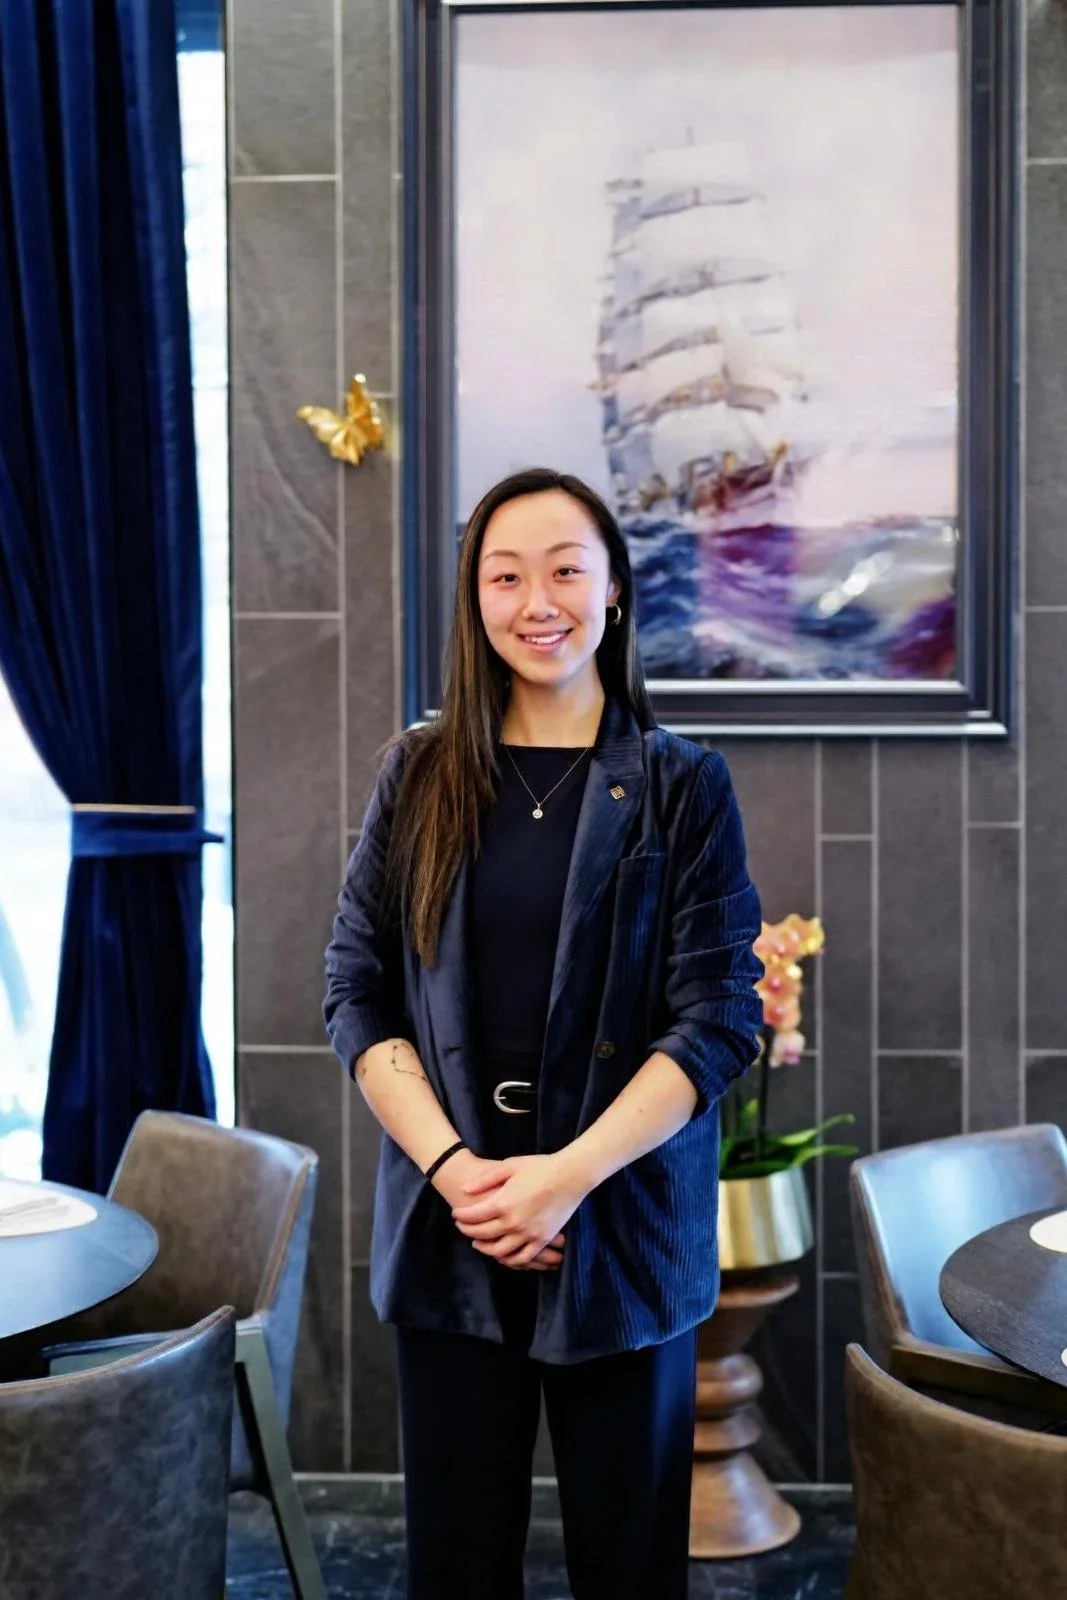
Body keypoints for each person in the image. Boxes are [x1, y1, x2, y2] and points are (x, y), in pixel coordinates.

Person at [324, 466, 763, 1600]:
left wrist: (562, 1178)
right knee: (455, 1568)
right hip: (449, 1223)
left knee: (629, 1568)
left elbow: (717, 1018)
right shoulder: (416, 775)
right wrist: (461, 1173)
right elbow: (354, 991)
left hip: (617, 1232)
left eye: (564, 569)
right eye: (504, 574)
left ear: (612, 588)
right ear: (473, 599)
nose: (537, 601)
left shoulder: (680, 787)